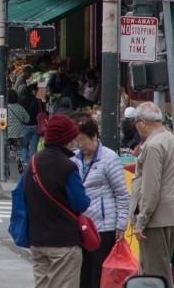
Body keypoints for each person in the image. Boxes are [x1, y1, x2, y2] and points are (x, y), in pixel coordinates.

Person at [22, 114, 90, 288]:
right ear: (65, 139)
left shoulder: (33, 162)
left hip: (37, 239)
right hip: (63, 242)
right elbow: (81, 203)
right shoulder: (67, 166)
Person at [72, 114, 128, 288]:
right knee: (82, 274)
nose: (81, 146)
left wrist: (121, 225)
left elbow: (122, 193)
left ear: (95, 136)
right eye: (77, 142)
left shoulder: (109, 158)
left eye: (83, 141)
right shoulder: (74, 158)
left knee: (98, 274)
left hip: (104, 226)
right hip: (81, 224)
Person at [129, 101, 174, 280]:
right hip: (169, 214)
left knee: (154, 272)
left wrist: (141, 220)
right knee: (163, 267)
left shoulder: (154, 146)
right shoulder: (170, 139)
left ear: (142, 122)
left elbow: (150, 187)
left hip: (155, 218)